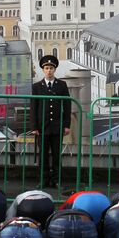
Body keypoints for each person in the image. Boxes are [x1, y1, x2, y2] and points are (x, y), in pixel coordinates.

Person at [31, 54, 71, 189]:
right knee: (43, 155)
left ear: (55, 70)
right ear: (43, 70)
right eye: (46, 68)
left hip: (57, 126)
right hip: (43, 126)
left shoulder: (62, 85)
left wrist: (66, 125)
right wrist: (35, 126)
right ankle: (43, 179)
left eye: (51, 68)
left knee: (56, 155)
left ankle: (56, 180)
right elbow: (33, 107)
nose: (49, 71)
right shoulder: (36, 87)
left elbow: (67, 106)